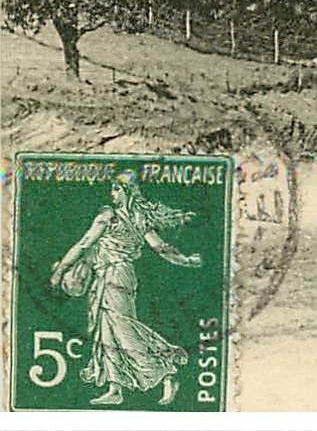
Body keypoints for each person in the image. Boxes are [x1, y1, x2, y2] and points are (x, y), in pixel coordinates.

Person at [49, 170, 202, 406]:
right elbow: (161, 248)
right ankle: (115, 387)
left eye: (116, 189)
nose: (112, 194)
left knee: (120, 329)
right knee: (108, 330)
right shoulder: (140, 219)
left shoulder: (107, 216)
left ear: (126, 191)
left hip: (113, 275)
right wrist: (186, 260)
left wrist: (60, 270)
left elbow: (83, 244)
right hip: (117, 276)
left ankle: (166, 371)